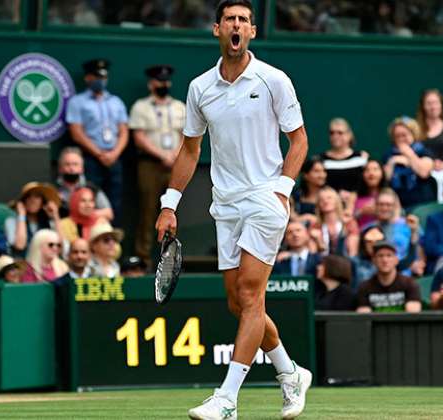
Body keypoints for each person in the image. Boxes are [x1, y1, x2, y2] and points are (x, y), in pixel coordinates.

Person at [155, 1, 312, 418]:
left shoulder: (274, 80)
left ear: (252, 32)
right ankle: (290, 372)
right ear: (217, 30)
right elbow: (190, 150)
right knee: (238, 304)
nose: (237, 26)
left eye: (244, 20)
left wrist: (282, 189)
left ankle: (227, 399)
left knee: (249, 293)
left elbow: (299, 141)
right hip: (224, 203)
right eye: (230, 20)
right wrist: (169, 205)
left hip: (265, 198)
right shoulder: (199, 88)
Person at [129, 64, 186, 268]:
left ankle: (171, 259)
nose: (163, 84)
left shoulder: (179, 106)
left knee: (174, 210)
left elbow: (185, 137)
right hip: (150, 164)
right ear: (151, 84)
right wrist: (162, 154)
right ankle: (143, 258)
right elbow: (139, 137)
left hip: (175, 164)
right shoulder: (141, 107)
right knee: (147, 210)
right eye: (159, 81)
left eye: (166, 81)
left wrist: (174, 155)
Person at [66, 58, 129, 219]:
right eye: (96, 76)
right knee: (90, 198)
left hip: (114, 158)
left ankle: (113, 239)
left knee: (116, 201)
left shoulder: (116, 101)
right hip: (91, 159)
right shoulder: (77, 102)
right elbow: (76, 133)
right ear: (88, 78)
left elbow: (123, 131)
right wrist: (99, 154)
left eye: (103, 77)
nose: (100, 80)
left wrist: (114, 153)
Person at [382, 117, 436, 208]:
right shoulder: (389, 155)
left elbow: (423, 172)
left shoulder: (424, 151)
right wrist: (392, 162)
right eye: (397, 136)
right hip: (398, 205)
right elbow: (384, 180)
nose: (401, 139)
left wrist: (409, 155)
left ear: (413, 134)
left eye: (404, 135)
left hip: (423, 203)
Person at [356, 241, 421, 313]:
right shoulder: (365, 287)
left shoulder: (409, 284)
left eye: (389, 255)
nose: (385, 260)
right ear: (374, 260)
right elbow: (364, 317)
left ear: (396, 260)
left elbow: (413, 315)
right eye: (380, 256)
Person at [370, 188, 422, 276]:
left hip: (406, 275)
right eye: (381, 204)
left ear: (395, 206)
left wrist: (419, 263)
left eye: (388, 205)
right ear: (375, 206)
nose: (384, 208)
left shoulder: (409, 224)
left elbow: (420, 252)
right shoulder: (369, 229)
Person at [4, 182, 62, 257]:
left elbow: (61, 248)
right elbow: (20, 245)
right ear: (23, 201)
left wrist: (55, 217)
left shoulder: (50, 223)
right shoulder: (11, 221)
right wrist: (21, 215)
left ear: (43, 202)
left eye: (37, 197)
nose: (32, 200)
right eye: (28, 197)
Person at [53, 147, 114, 218]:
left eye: (75, 164)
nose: (71, 168)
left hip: (88, 226)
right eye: (67, 164)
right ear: (60, 168)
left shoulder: (92, 188)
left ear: (82, 168)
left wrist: (86, 214)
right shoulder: (53, 189)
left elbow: (109, 213)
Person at [320, 118, 368, 194]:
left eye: (340, 132)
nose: (335, 136)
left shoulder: (361, 158)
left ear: (349, 135)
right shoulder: (321, 160)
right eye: (332, 133)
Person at [311, 187, 357, 256]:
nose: (325, 201)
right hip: (323, 262)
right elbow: (312, 255)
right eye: (321, 200)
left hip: (345, 262)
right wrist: (319, 241)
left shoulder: (349, 223)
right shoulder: (315, 226)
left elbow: (353, 253)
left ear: (337, 201)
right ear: (318, 205)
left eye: (329, 198)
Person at [351, 159, 388, 230]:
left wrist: (380, 211)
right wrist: (361, 212)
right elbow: (347, 218)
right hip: (360, 234)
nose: (371, 173)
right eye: (367, 170)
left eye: (375, 169)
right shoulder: (354, 195)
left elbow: (397, 215)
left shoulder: (389, 194)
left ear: (382, 173)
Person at [290, 156, 325, 226]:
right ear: (306, 175)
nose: (322, 175)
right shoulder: (295, 195)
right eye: (316, 171)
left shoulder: (329, 194)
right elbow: (290, 214)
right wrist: (302, 218)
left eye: (323, 171)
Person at [349, 225, 384, 291]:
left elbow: (404, 263)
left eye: (378, 241)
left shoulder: (388, 261)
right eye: (369, 241)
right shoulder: (355, 262)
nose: (373, 244)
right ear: (363, 243)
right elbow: (340, 258)